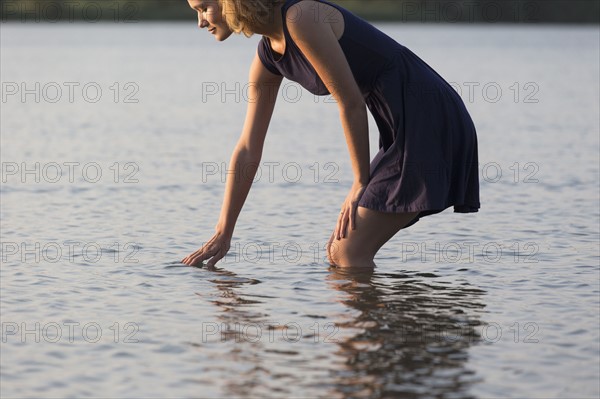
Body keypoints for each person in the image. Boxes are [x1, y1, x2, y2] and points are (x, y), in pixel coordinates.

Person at [181, 0, 480, 269]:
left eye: (204, 7)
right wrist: (224, 232)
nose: (200, 21)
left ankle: (374, 329)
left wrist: (359, 182)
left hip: (429, 116)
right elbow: (248, 147)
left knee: (348, 252)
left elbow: (350, 102)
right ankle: (378, 328)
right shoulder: (268, 57)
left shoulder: (301, 17)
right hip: (401, 126)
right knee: (340, 252)